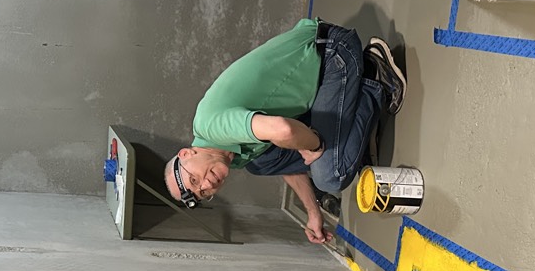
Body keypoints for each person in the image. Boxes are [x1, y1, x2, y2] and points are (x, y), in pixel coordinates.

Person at [164, 18, 407, 243]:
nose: (207, 185)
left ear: (186, 154)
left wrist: (316, 145)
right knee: (260, 163)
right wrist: (313, 212)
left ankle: (373, 77)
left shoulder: (212, 127)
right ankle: (349, 129)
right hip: (320, 71)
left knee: (331, 176)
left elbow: (282, 130)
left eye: (194, 179)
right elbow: (284, 163)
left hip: (333, 53)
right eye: (202, 192)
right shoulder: (228, 155)